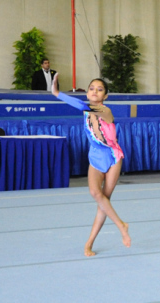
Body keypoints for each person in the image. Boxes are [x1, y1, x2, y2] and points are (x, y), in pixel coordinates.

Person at [51, 74, 131, 256]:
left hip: (112, 156)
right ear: (87, 92)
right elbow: (82, 107)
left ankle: (89, 243)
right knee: (96, 194)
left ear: (106, 96)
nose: (95, 91)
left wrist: (57, 93)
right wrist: (57, 93)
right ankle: (121, 225)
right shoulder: (86, 110)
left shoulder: (105, 111)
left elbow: (81, 105)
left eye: (100, 89)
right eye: (92, 88)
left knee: (104, 201)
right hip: (95, 157)